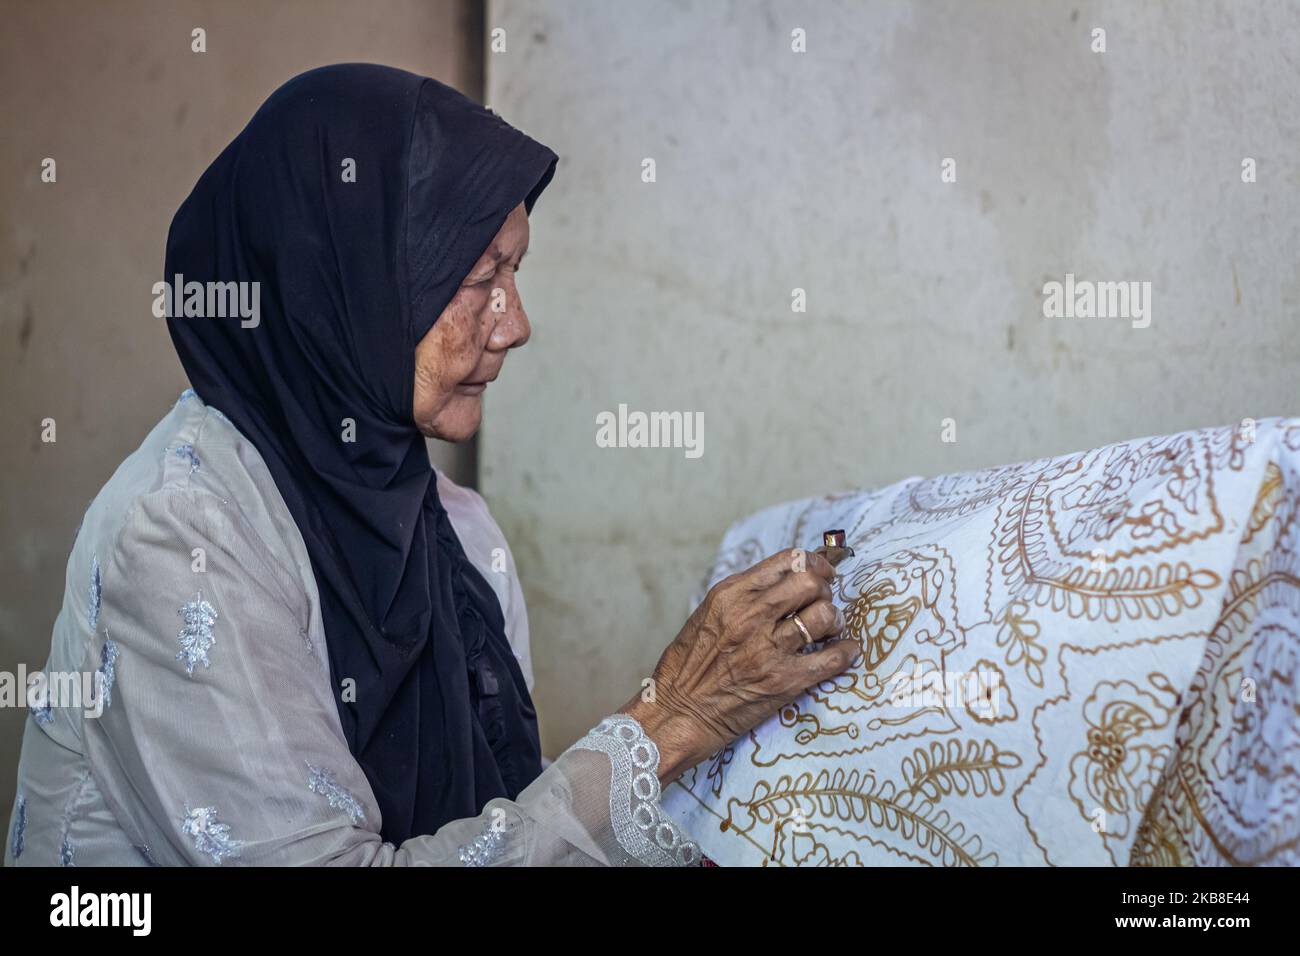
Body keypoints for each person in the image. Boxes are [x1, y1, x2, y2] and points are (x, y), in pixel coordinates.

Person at [4, 64, 855, 866]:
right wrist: (671, 719)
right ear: (338, 284)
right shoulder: (184, 535)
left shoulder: (458, 534)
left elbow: (511, 822)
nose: (514, 323)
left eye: (515, 271)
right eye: (480, 275)